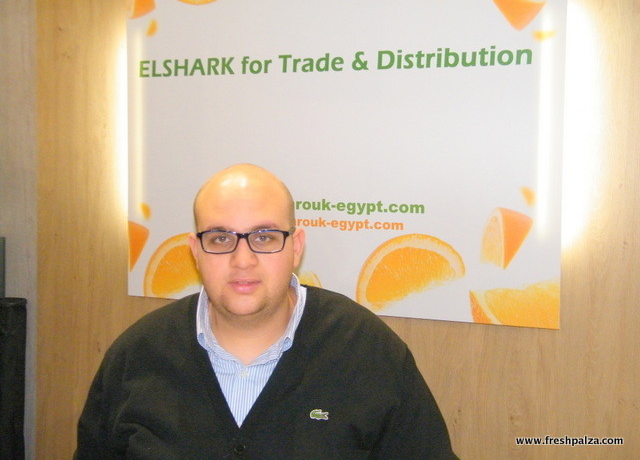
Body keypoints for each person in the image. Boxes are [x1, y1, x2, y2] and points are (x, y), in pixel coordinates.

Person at [74, 163, 459, 460]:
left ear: (296, 246)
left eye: (264, 237)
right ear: (195, 251)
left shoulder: (368, 351)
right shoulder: (135, 355)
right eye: (220, 238)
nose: (243, 260)